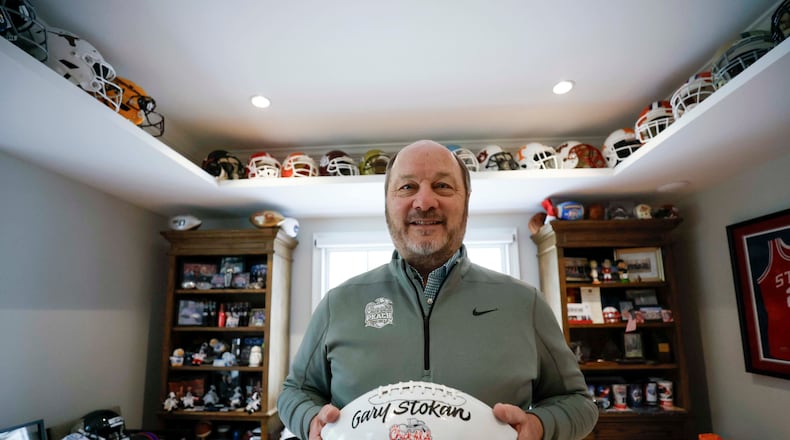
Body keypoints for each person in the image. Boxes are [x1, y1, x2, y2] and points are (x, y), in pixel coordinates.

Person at [277, 140, 598, 439]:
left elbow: (576, 402)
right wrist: (312, 421)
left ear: (466, 202)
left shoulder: (524, 302)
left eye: (443, 186)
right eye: (407, 187)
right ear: (387, 203)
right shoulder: (339, 302)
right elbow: (295, 392)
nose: (425, 201)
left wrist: (539, 425)